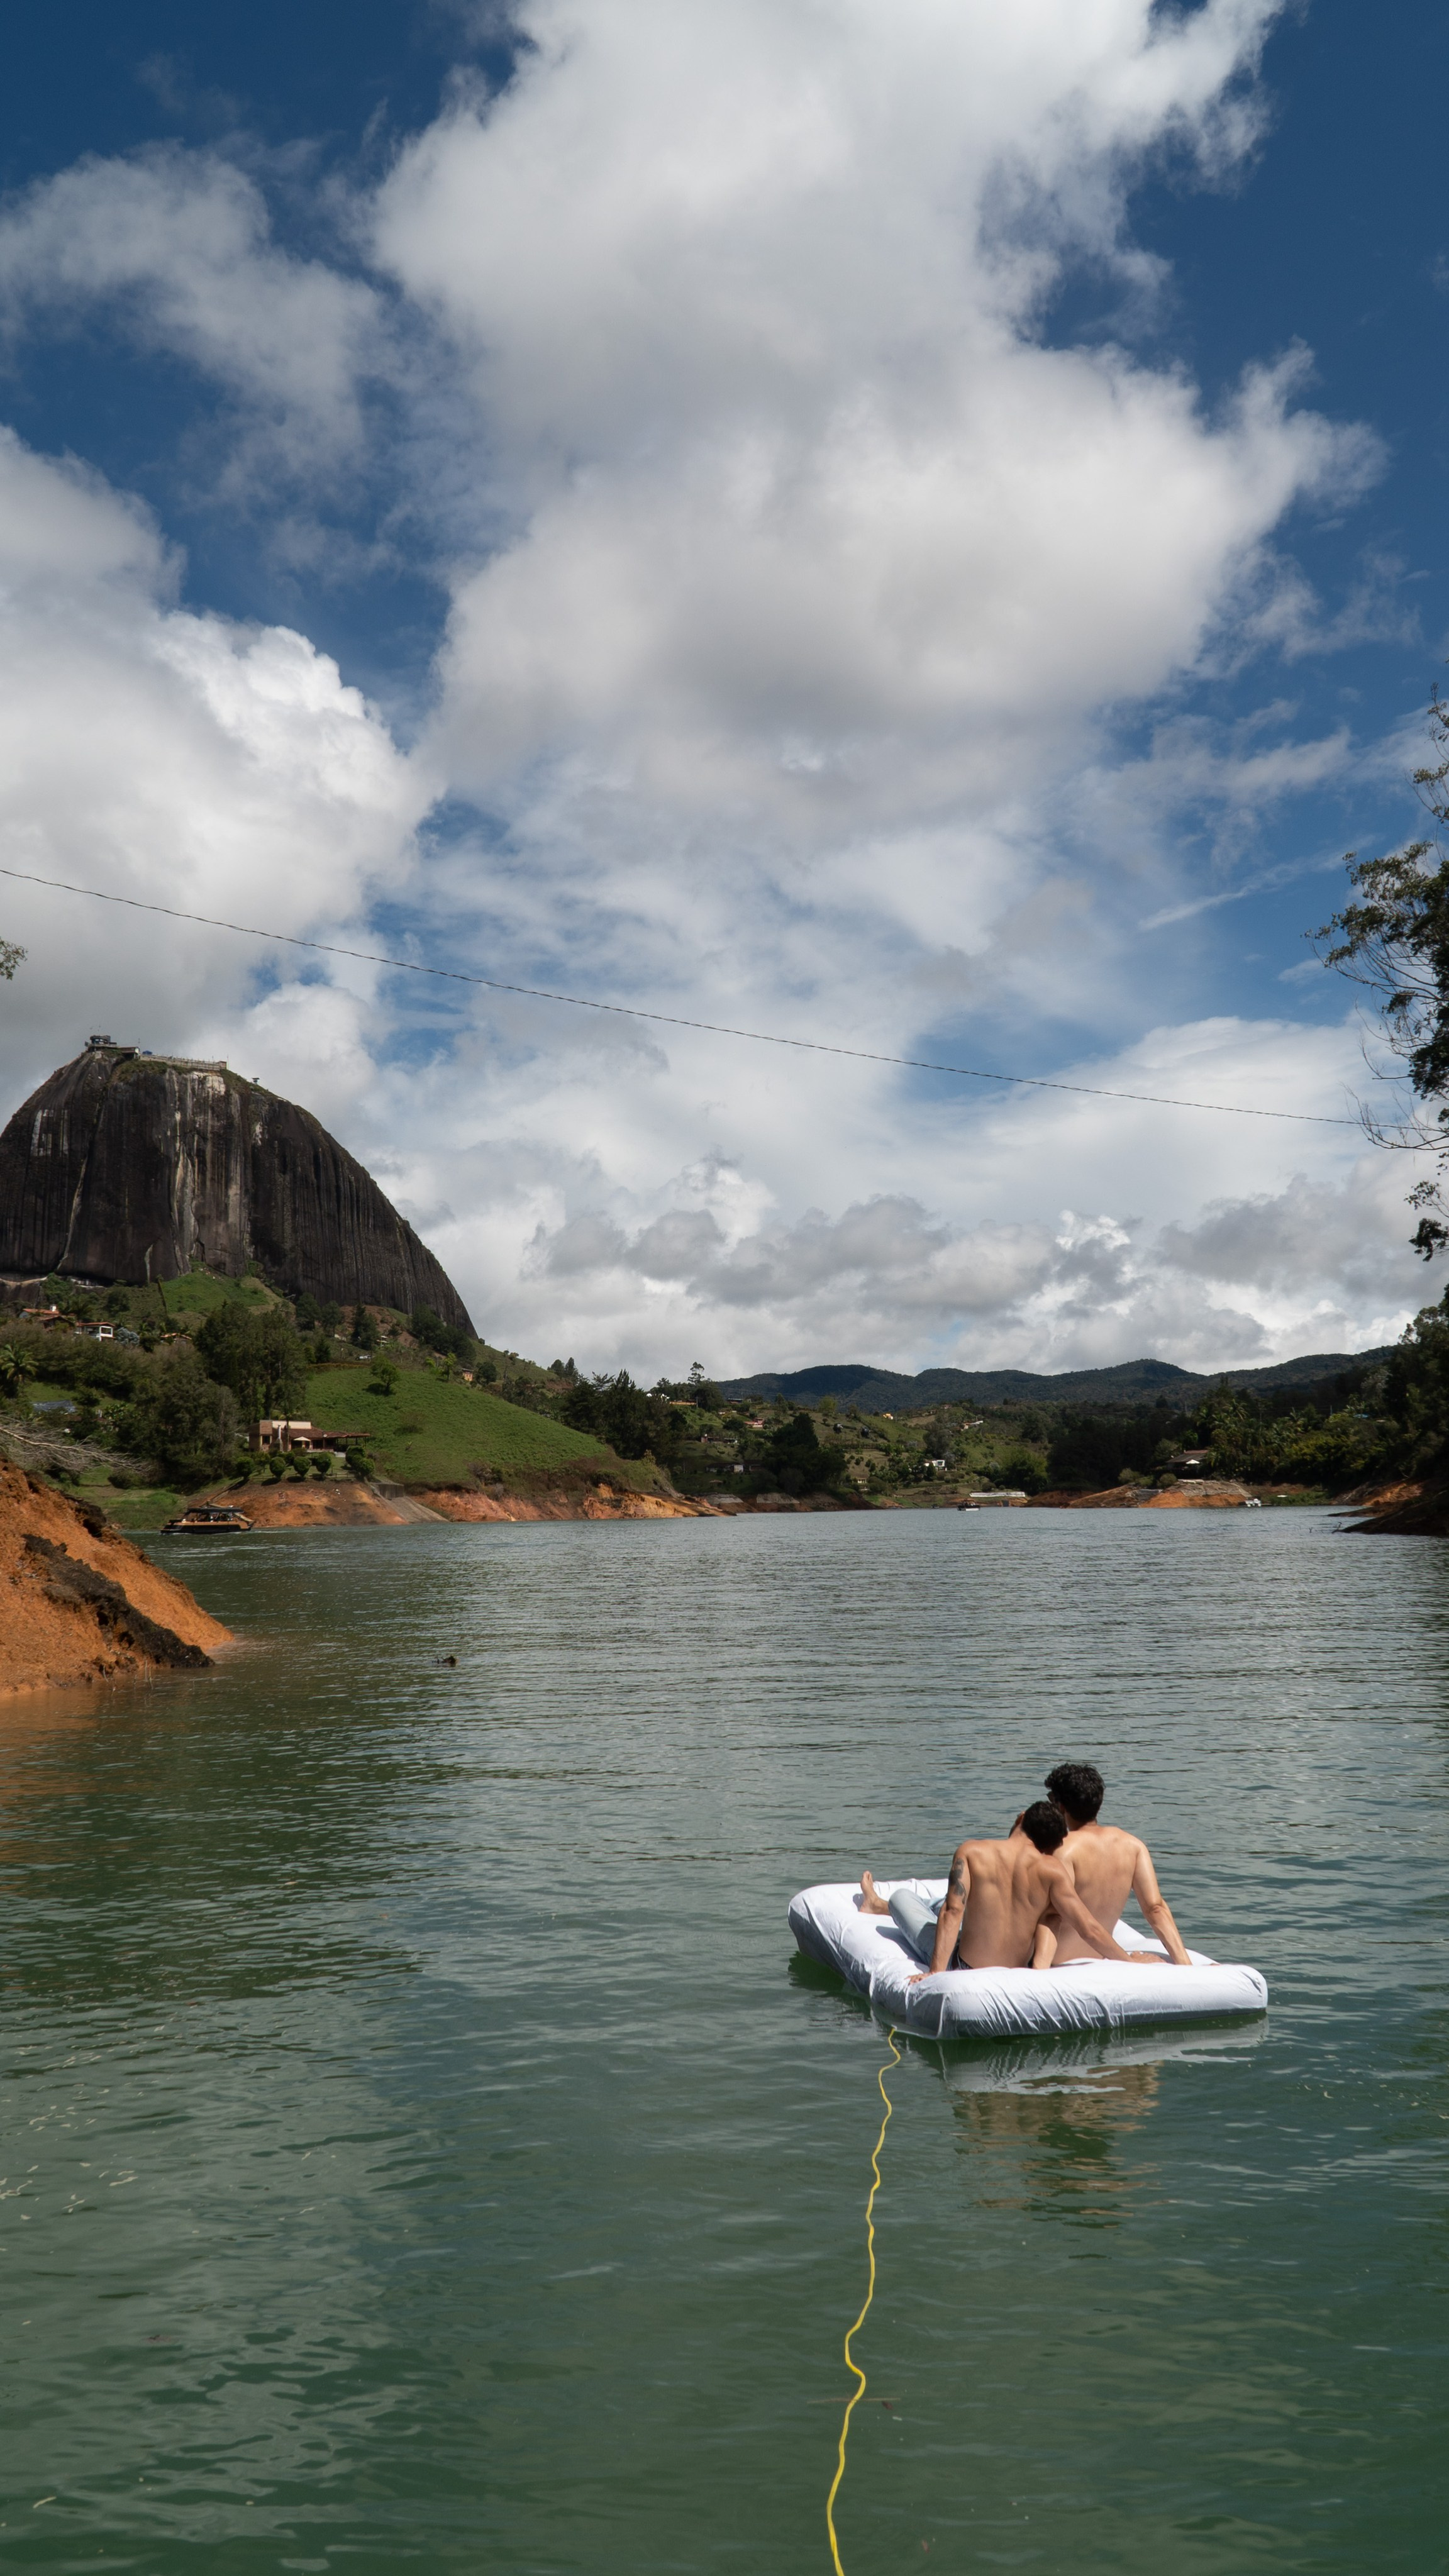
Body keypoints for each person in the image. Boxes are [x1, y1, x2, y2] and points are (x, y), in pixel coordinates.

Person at [859, 1802, 1158, 1978]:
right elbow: (1088, 1927)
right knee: (945, 1905)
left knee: (903, 1898)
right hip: (1021, 1965)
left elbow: (953, 1912)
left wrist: (936, 1976)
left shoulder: (972, 1852)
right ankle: (898, 1904)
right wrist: (1128, 1961)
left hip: (964, 1966)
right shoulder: (1051, 1870)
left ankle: (877, 1904)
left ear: (1020, 1819)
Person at [1034, 1761, 1192, 1967]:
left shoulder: (1061, 1850)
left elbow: (1052, 1916)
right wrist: (1186, 1966)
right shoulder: (1134, 1846)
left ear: (1061, 1806)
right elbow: (1155, 1909)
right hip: (1100, 1957)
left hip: (1057, 1961)